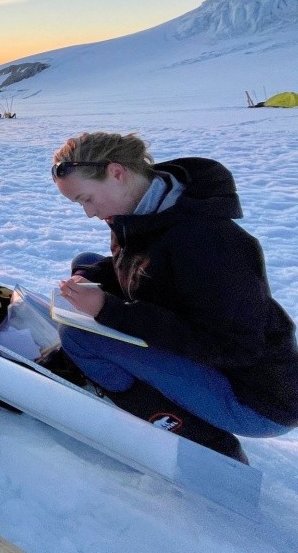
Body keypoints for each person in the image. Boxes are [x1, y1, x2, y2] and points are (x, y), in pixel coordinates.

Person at [50, 131, 298, 462]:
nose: (89, 213)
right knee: (87, 263)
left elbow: (236, 347)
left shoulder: (209, 243)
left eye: (87, 199)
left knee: (78, 338)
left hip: (257, 397)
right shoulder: (147, 213)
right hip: (223, 365)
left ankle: (205, 442)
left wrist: (110, 311)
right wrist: (89, 277)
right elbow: (147, 268)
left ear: (117, 173)